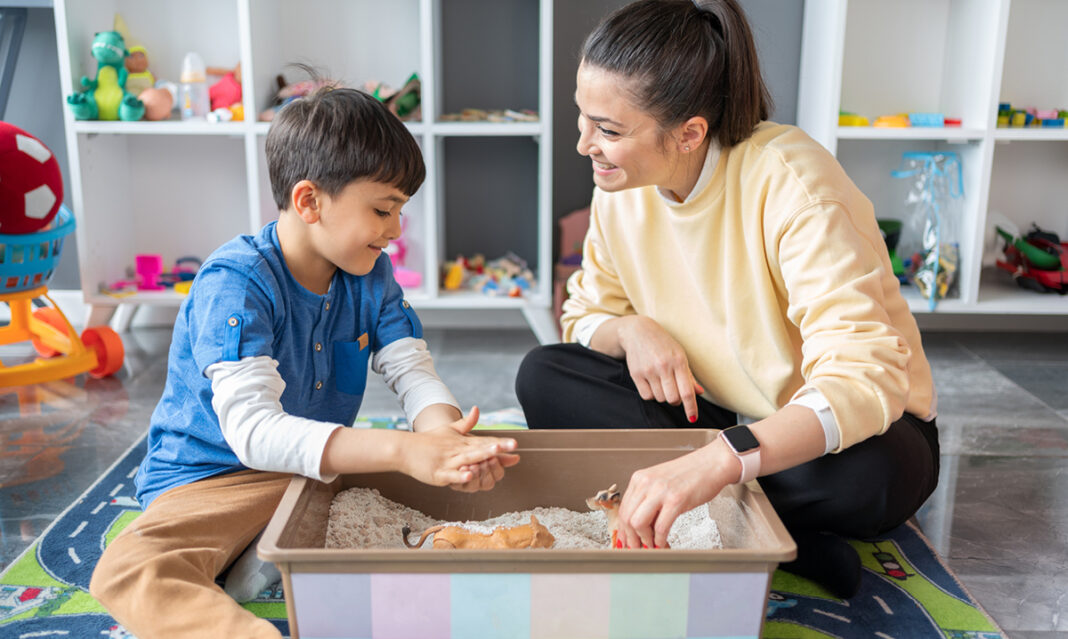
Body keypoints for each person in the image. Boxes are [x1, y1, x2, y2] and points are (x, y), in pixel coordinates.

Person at [516, 0, 939, 598]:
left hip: (833, 434)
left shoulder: (794, 185)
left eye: (609, 130)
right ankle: (767, 530)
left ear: (690, 132)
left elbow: (865, 379)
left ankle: (722, 512)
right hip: (709, 414)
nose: (585, 143)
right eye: (583, 118)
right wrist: (633, 330)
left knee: (870, 475)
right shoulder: (620, 185)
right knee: (545, 374)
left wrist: (719, 459)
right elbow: (585, 312)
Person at [90, 86, 520, 639]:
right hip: (215, 479)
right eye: (383, 209)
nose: (395, 230)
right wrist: (405, 449)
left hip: (309, 470)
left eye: (400, 212)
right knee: (131, 568)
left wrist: (444, 442)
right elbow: (252, 434)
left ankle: (266, 550)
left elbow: (411, 368)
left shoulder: (370, 275)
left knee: (394, 472)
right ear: (309, 201)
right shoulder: (238, 283)